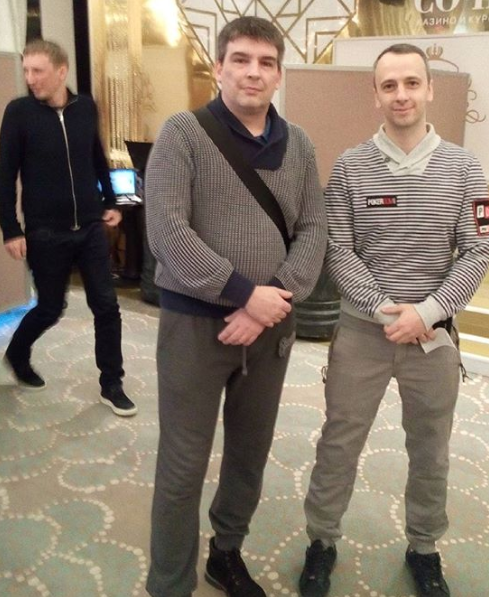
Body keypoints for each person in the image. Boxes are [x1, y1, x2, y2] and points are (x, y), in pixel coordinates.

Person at [299, 44, 489, 597]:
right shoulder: (351, 166)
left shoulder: (465, 168)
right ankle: (321, 541)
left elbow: (477, 251)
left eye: (411, 83)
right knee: (338, 443)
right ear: (376, 95)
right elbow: (339, 250)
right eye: (389, 85)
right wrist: (391, 312)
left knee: (430, 450)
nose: (401, 94)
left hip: (433, 337)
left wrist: (426, 313)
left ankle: (424, 548)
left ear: (429, 88)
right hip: (363, 333)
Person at [144, 15, 327, 597]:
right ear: (218, 67)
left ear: (279, 75)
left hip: (271, 328)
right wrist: (246, 295)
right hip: (196, 327)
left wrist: (270, 302)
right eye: (241, 60)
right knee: (183, 464)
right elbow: (167, 232)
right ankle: (169, 583)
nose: (254, 72)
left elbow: (315, 230)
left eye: (266, 62)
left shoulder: (298, 144)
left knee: (249, 455)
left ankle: (225, 553)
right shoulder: (183, 133)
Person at [0, 39, 137, 417]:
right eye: (26, 70)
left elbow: (96, 156)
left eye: (38, 71)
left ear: (61, 72)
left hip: (90, 226)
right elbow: (5, 174)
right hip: (45, 231)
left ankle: (112, 383)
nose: (30, 78)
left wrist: (111, 201)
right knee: (50, 307)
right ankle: (17, 352)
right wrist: (11, 229)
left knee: (106, 306)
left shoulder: (85, 107)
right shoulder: (19, 113)